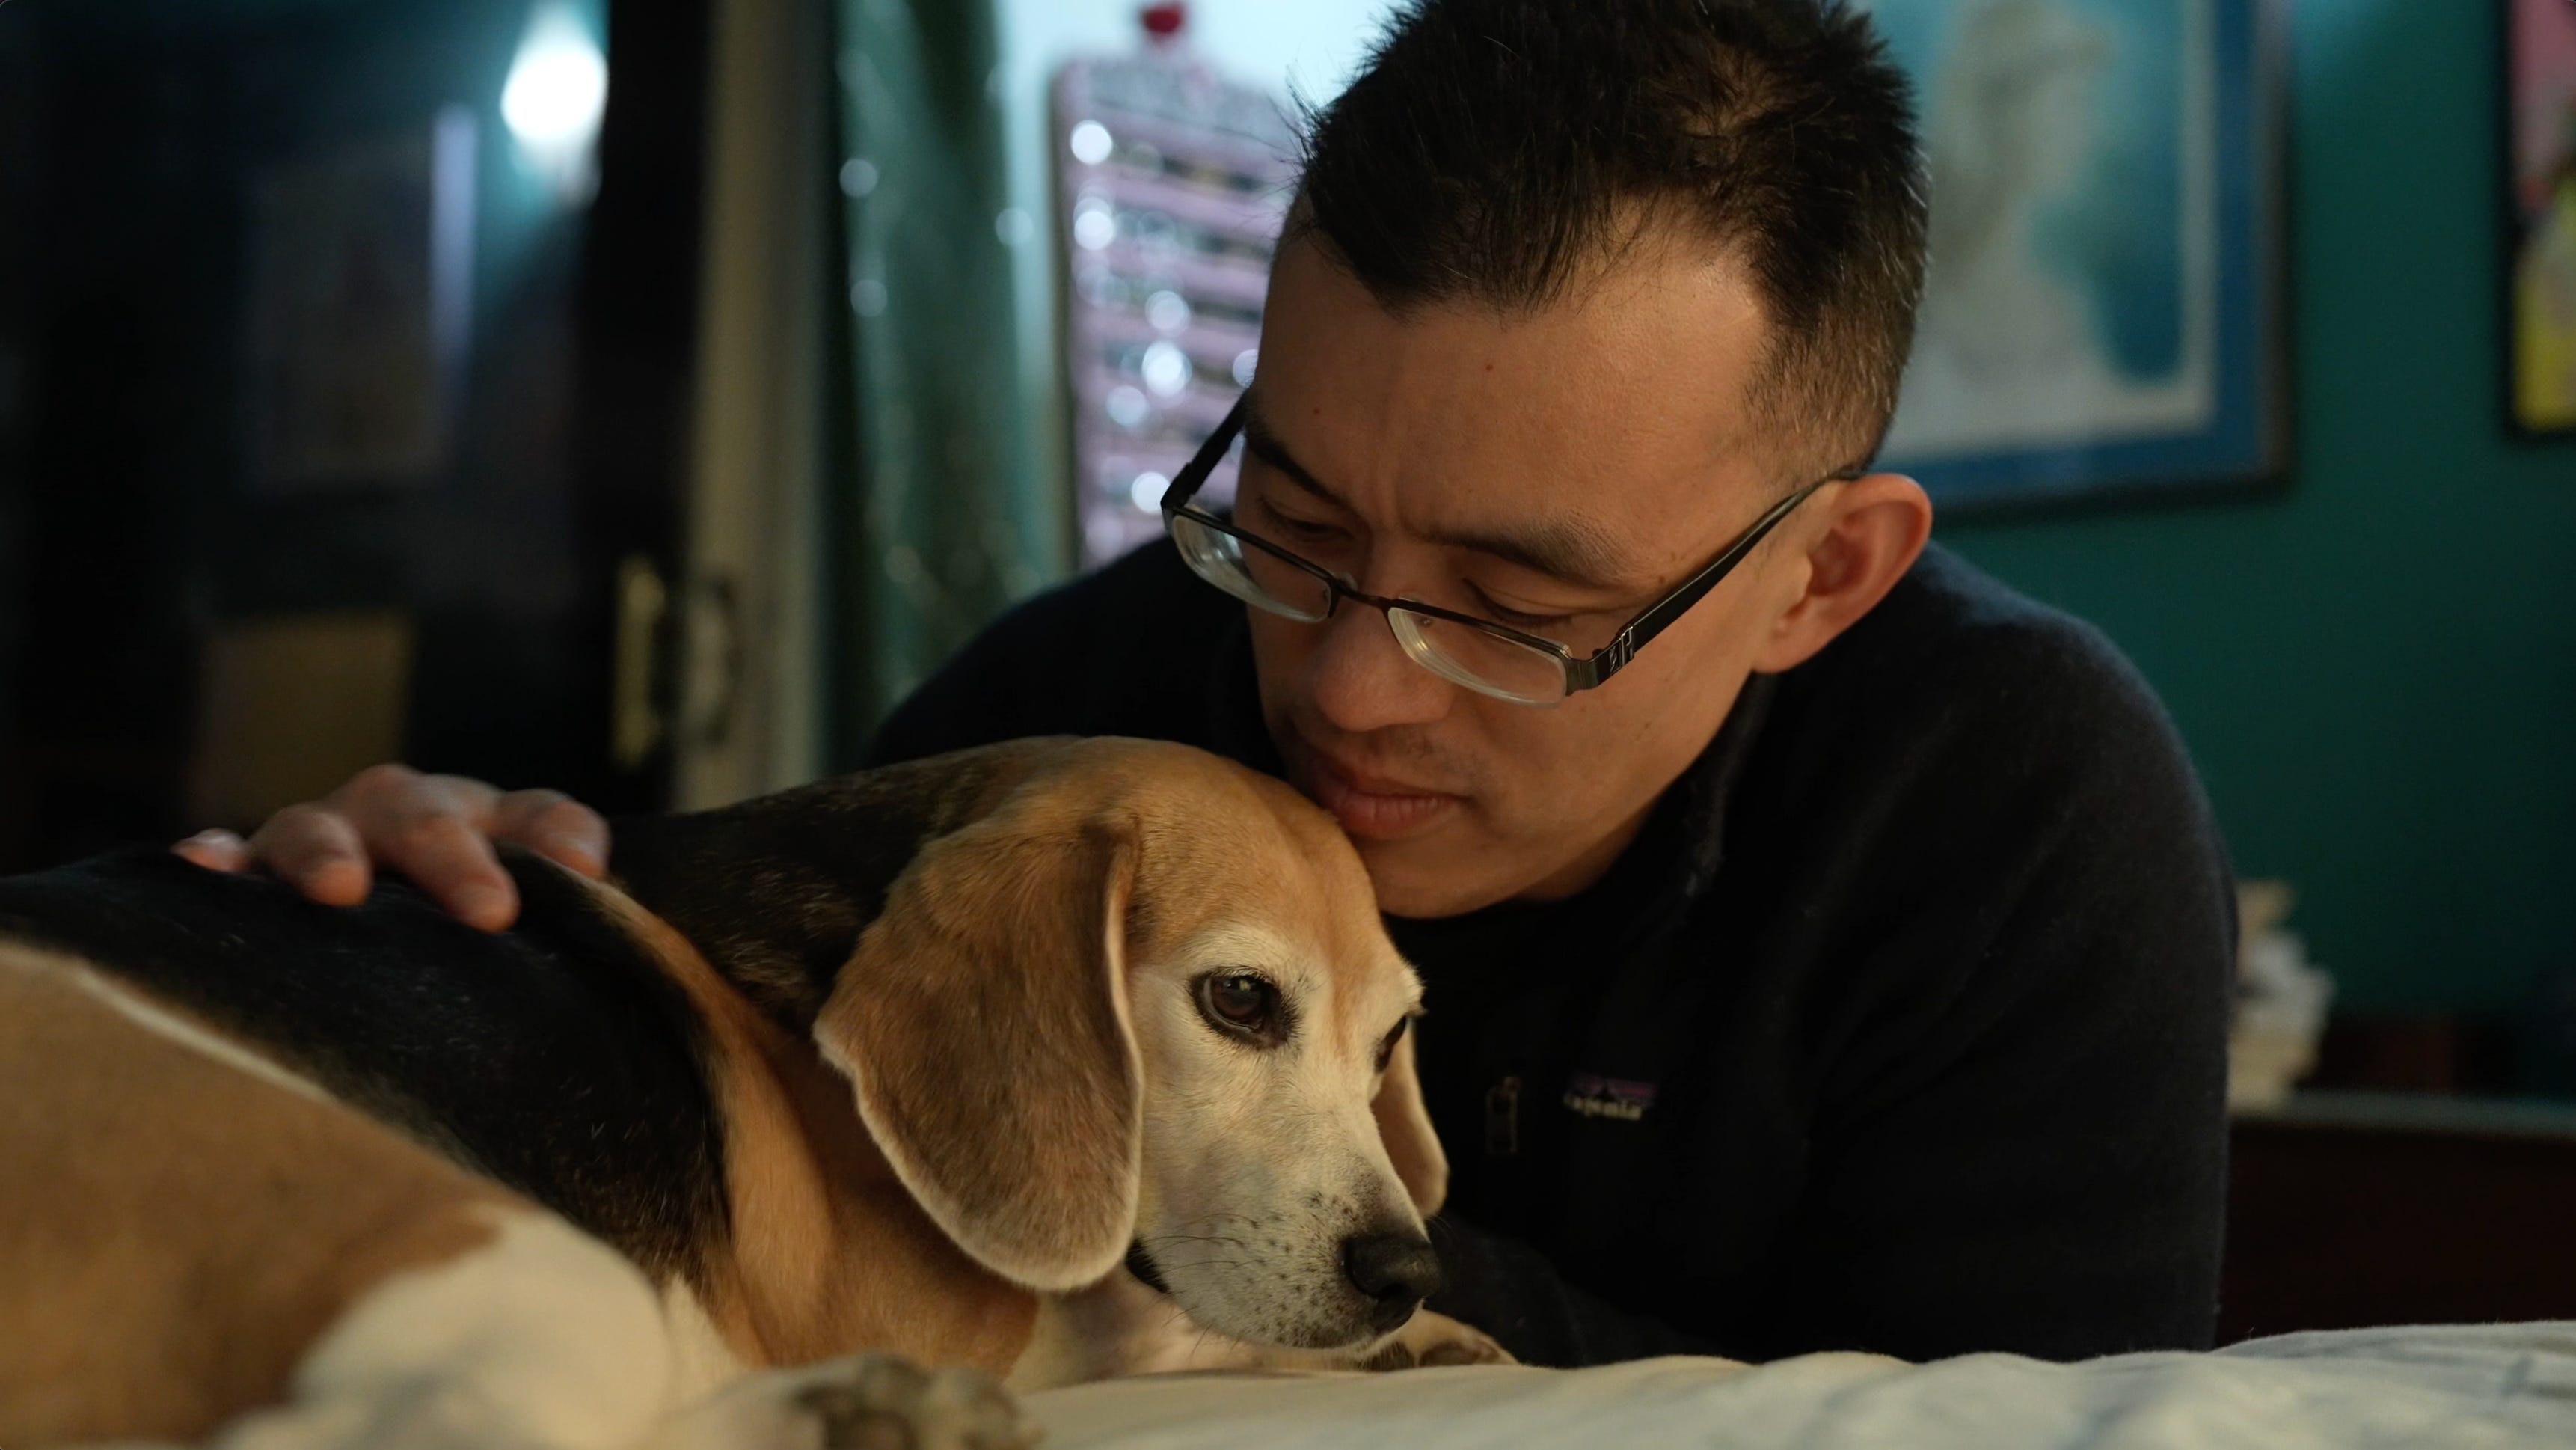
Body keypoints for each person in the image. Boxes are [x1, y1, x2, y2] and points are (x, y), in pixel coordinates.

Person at [180, 0, 2233, 1368]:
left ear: (1818, 576)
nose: (1347, 687)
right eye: (1294, 516)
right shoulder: (1065, 717)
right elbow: (752, 1167)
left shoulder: (2017, 818)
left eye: (1514, 602)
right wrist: (442, 970)